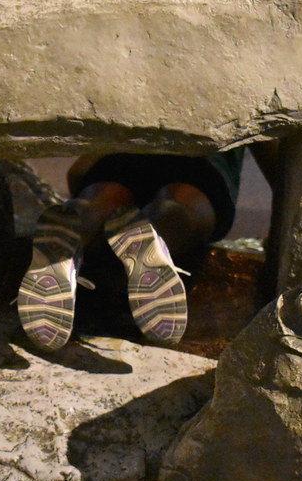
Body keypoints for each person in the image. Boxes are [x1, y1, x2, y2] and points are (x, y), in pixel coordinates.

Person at [17, 149, 244, 351]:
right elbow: (275, 149)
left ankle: (74, 226)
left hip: (121, 150)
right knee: (180, 209)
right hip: (202, 156)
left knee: (99, 201)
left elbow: (78, 169)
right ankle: (155, 236)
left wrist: (86, 175)